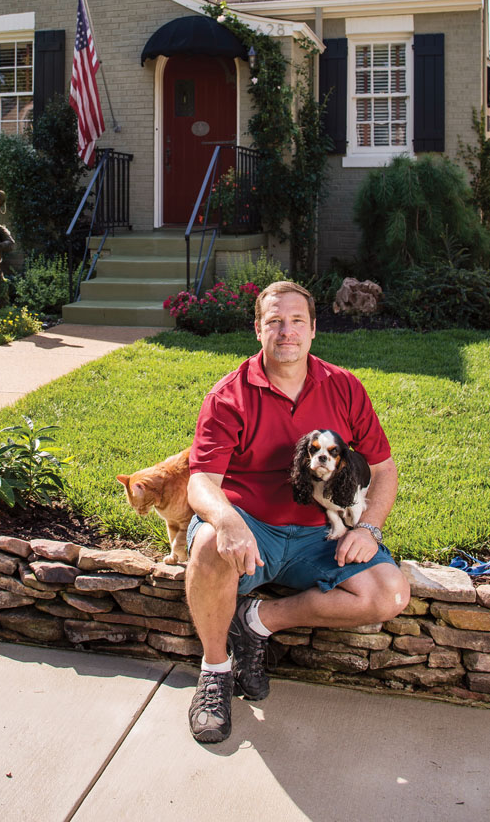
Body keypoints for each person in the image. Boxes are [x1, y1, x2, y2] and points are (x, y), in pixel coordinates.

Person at [185, 279, 410, 744]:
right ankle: (214, 670)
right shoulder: (229, 395)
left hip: (319, 537)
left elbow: (384, 468)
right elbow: (201, 481)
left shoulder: (345, 387)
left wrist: (368, 528)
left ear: (313, 330)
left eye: (296, 322)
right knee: (208, 542)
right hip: (253, 528)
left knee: (388, 595)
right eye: (274, 322)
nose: (286, 332)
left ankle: (257, 621)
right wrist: (227, 521)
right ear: (257, 329)